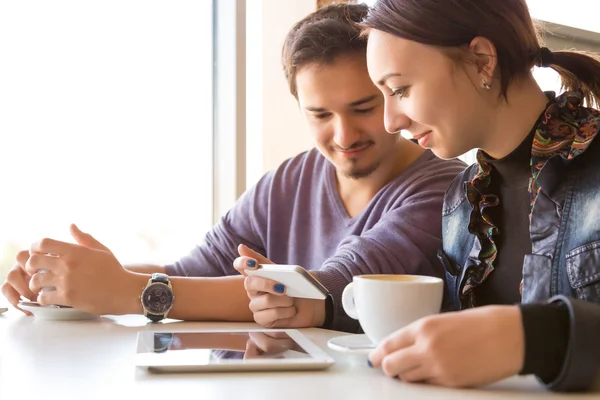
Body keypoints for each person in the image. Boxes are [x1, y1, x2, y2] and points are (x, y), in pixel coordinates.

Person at [0, 4, 464, 332]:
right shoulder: (289, 181)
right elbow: (191, 273)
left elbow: (327, 290)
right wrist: (69, 283)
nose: (344, 136)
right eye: (320, 115)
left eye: (362, 107)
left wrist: (123, 292)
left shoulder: (444, 188)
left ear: (390, 91)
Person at [361, 0, 600, 392]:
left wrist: (530, 339)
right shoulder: (461, 202)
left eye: (400, 89)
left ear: (481, 61)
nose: (390, 121)